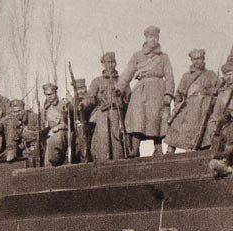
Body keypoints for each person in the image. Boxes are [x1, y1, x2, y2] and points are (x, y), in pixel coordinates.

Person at [116, 26, 175, 157]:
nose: (153, 40)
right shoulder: (137, 55)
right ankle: (135, 149)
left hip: (158, 90)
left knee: (157, 119)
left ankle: (158, 149)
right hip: (141, 90)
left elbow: (169, 76)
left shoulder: (164, 57)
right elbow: (128, 72)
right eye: (150, 37)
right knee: (138, 118)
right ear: (146, 38)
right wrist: (119, 88)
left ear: (158, 39)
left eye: (155, 37)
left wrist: (168, 94)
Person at [165, 49, 219, 152]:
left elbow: (219, 90)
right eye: (194, 59)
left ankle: (195, 151)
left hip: (203, 107)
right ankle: (169, 152)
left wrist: (210, 91)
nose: (196, 61)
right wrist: (177, 106)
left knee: (203, 133)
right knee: (175, 127)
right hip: (188, 107)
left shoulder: (211, 74)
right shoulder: (187, 76)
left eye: (199, 58)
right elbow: (179, 93)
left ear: (203, 59)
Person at [84, 52, 131, 161]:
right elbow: (90, 98)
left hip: (117, 113)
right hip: (102, 113)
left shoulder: (122, 80)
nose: (111, 65)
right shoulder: (96, 81)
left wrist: (121, 99)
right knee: (103, 139)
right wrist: (84, 103)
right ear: (103, 64)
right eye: (108, 62)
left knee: (118, 140)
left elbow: (129, 98)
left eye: (113, 62)